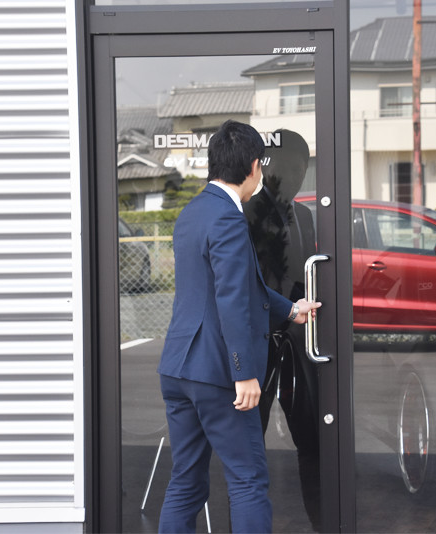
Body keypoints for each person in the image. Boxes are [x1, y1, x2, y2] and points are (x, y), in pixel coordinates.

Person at [157, 119, 321, 534]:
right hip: (216, 374)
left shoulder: (193, 212)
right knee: (248, 481)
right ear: (253, 167)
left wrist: (291, 310)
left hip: (178, 370)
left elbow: (243, 286)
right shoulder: (229, 219)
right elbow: (230, 299)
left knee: (186, 482)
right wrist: (243, 373)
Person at [243, 129, 320, 529]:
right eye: (291, 165)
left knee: (312, 440)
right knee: (249, 446)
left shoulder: (304, 216)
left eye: (301, 166)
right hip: (257, 343)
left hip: (300, 341)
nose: (296, 174)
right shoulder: (245, 213)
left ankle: (323, 521)